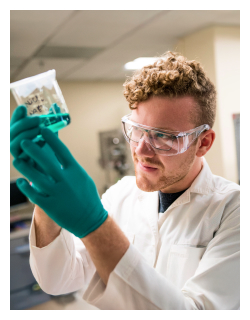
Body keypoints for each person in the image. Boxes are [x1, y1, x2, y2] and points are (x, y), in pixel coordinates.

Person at [10, 51, 240, 310]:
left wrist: (95, 225)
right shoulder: (121, 194)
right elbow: (59, 281)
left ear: (203, 143)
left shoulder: (234, 210)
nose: (141, 150)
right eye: (137, 130)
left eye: (163, 136)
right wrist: (47, 188)